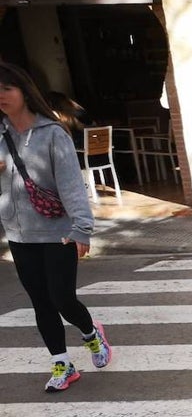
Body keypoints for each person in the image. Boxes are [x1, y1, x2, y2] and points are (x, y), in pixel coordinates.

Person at [0, 63, 112, 392]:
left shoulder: (52, 134)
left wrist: (82, 228)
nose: (1, 95)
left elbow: (71, 185)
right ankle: (62, 363)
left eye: (7, 88)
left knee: (62, 298)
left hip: (58, 230)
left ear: (24, 91)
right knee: (40, 301)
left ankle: (92, 334)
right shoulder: (1, 134)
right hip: (20, 233)